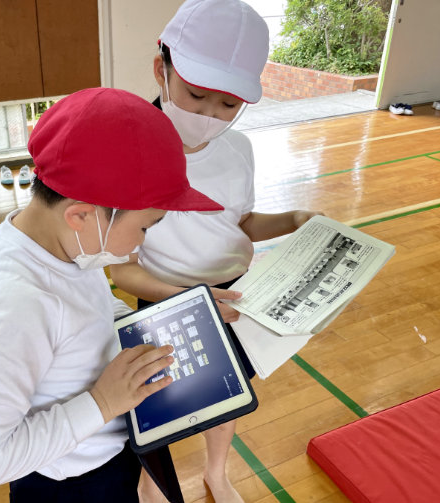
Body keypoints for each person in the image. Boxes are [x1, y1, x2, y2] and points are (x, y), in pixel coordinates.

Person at [0, 87, 225, 502]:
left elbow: (93, 308)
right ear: (81, 214)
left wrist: (179, 308)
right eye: (147, 227)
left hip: (110, 442)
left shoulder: (63, 243)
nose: (142, 245)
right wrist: (101, 402)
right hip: (71, 483)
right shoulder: (16, 305)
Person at [109, 1, 324, 501]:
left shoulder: (238, 150)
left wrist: (291, 221)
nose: (209, 115)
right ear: (162, 69)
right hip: (166, 299)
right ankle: (153, 484)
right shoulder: (128, 152)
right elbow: (123, 269)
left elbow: (240, 222)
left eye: (228, 105)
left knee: (231, 396)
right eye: (197, 94)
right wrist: (187, 296)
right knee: (156, 405)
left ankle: (217, 471)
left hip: (238, 297)